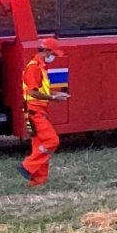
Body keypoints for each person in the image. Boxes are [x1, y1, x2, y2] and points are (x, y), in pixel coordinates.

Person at [17, 43, 70, 187]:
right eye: (53, 54)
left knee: (40, 146)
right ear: (46, 51)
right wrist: (53, 98)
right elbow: (33, 92)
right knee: (52, 141)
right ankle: (27, 166)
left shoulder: (40, 67)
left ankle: (38, 181)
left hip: (35, 111)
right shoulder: (34, 68)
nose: (54, 57)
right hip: (35, 112)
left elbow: (41, 91)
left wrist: (56, 94)